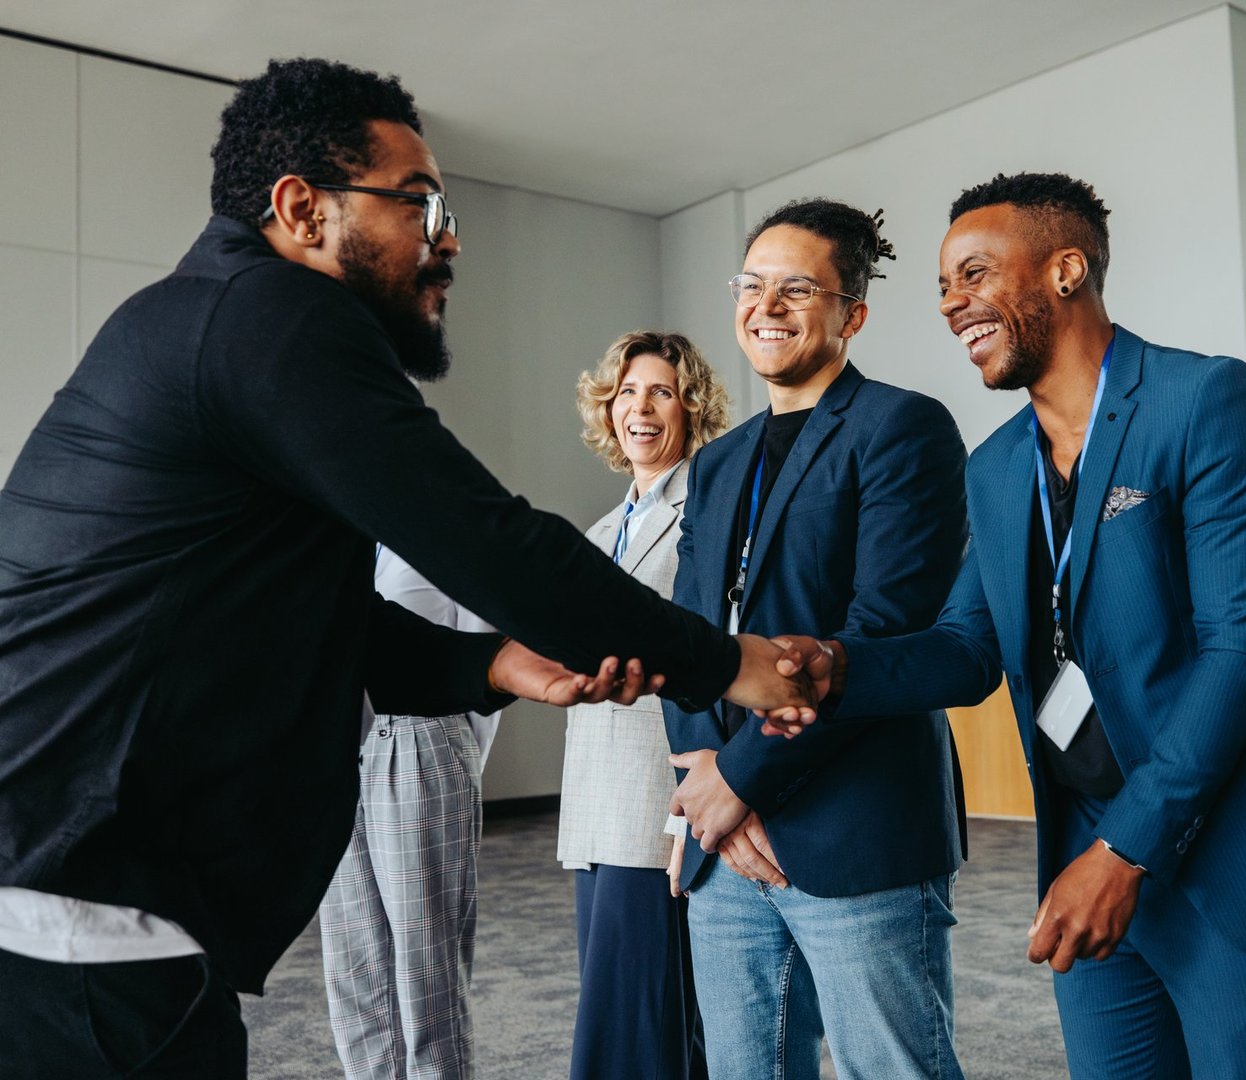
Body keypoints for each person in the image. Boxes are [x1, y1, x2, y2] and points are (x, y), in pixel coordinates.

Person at [0, 57, 808, 1079]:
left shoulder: (211, 320)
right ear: (301, 209)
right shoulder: (274, 318)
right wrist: (726, 663)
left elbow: (296, 613)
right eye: (419, 205)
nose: (449, 238)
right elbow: (483, 534)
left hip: (70, 890)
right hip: (78, 908)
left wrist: (489, 666)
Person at [770, 172, 1246, 1079]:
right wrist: (832, 666)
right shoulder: (997, 466)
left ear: (1066, 269)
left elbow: (1244, 652)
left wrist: (1123, 850)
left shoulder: (1205, 399)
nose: (950, 304)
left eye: (972, 274)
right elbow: (967, 649)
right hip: (1083, 845)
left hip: (1232, 850)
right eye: (941, 286)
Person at [663, 198, 971, 1080]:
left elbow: (882, 634)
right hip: (725, 842)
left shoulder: (901, 427)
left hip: (856, 822)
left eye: (797, 288)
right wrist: (704, 788)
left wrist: (740, 781)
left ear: (852, 314)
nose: (768, 305)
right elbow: (685, 636)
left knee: (896, 1068)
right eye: (752, 285)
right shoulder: (717, 461)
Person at [561, 331, 730, 1080]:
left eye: (661, 391)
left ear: (690, 408)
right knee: (618, 1006)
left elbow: (712, 660)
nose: (641, 407)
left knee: (646, 1024)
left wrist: (686, 814)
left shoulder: (708, 514)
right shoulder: (600, 531)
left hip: (657, 807)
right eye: (628, 392)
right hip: (593, 813)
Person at [318, 546, 503, 1080]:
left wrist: (455, 757)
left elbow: (482, 653)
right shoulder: (331, 535)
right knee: (353, 963)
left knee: (426, 964)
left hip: (419, 739)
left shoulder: (433, 527)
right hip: (334, 749)